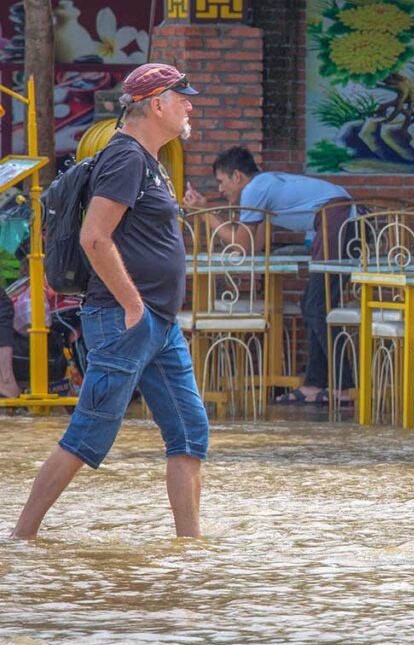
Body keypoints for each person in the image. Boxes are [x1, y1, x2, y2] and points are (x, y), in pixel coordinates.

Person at [11, 63, 206, 539]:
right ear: (157, 104)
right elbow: (95, 237)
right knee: (89, 434)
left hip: (158, 324)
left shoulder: (149, 159)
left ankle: (191, 545)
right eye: (183, 98)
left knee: (189, 433)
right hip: (126, 319)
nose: (190, 106)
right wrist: (133, 306)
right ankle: (21, 536)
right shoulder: (126, 158)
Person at [183, 147, 354, 406]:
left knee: (318, 306)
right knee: (313, 304)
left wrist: (206, 213)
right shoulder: (262, 187)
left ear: (237, 176)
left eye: (221, 182)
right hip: (337, 220)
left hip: (337, 219)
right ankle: (314, 384)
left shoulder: (255, 189)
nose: (220, 190)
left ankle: (345, 389)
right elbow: (255, 243)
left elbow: (240, 245)